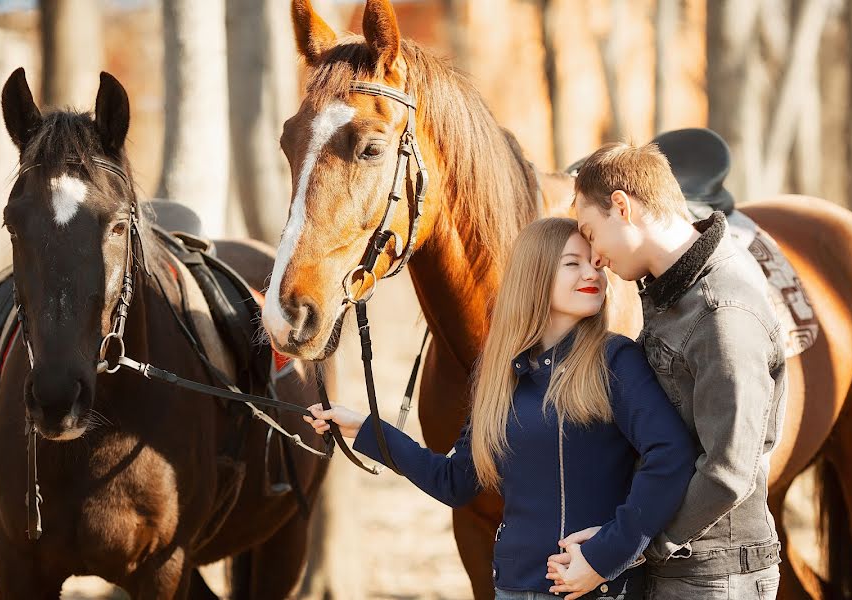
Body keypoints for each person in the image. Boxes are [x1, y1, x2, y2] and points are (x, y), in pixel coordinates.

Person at [304, 217, 695, 600]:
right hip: (510, 588)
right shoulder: (502, 375)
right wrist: (368, 430)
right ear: (534, 275)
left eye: (596, 263)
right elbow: (455, 482)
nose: (591, 273)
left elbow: (671, 455)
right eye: (572, 263)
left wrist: (606, 555)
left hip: (595, 589)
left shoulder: (615, 360)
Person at [564, 142, 787, 599]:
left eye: (591, 232)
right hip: (685, 564)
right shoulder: (674, 291)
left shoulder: (722, 313)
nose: (596, 256)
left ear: (622, 207)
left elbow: (728, 470)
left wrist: (629, 549)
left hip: (712, 575)